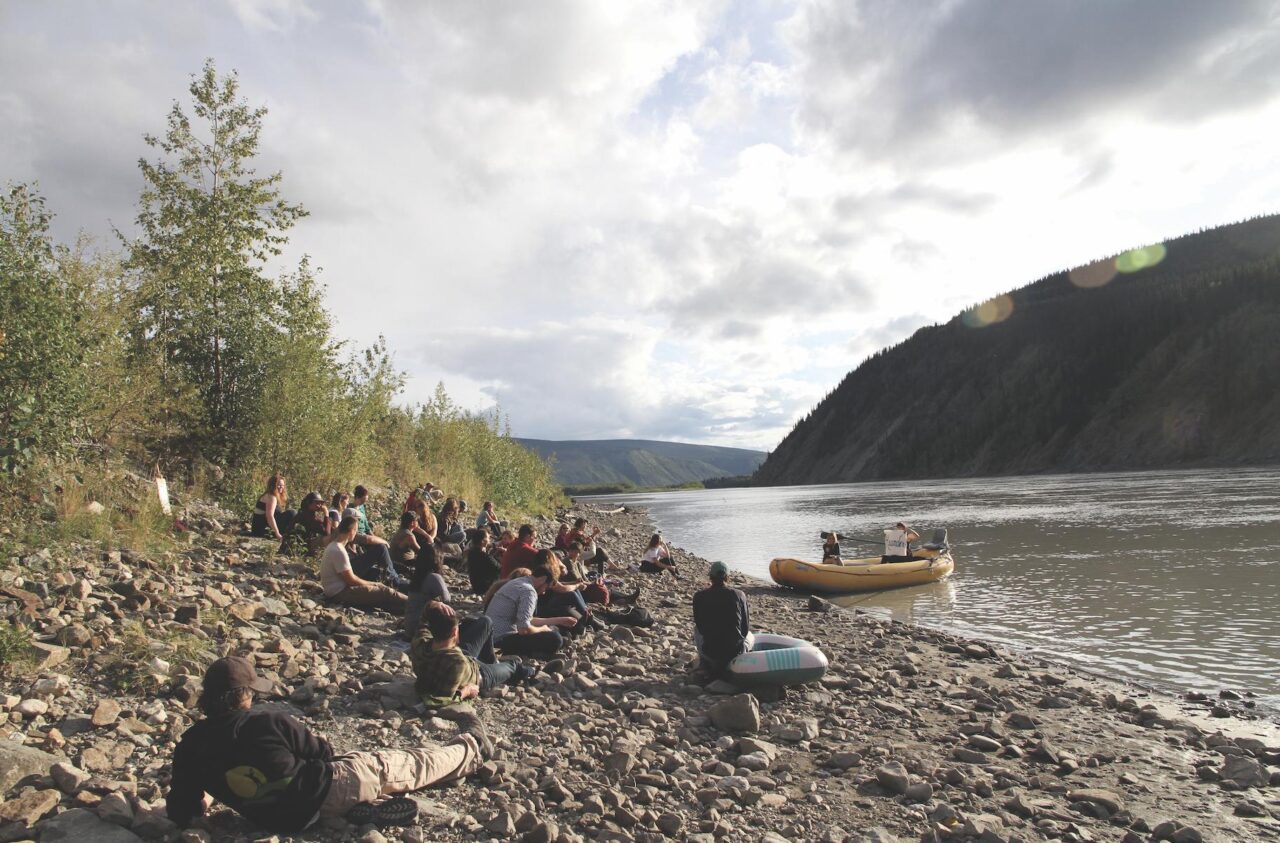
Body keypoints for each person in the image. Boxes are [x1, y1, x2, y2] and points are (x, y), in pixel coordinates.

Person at [166, 655, 483, 833]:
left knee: (359, 771)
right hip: (324, 791)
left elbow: (181, 810)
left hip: (278, 819)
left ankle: (359, 811)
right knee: (405, 764)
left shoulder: (189, 746)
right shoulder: (268, 722)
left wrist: (206, 796)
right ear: (243, 695)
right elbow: (324, 754)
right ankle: (472, 748)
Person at [411, 607, 538, 708]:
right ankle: (531, 672)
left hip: (465, 656)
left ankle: (493, 662)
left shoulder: (421, 642)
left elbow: (424, 621)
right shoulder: (456, 663)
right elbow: (444, 698)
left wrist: (433, 605)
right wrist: (467, 691)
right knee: (513, 665)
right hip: (479, 675)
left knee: (486, 622)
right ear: (454, 632)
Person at [485, 563, 577, 658]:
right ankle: (530, 654)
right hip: (501, 640)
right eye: (546, 587)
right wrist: (543, 629)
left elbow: (526, 620)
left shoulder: (518, 582)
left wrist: (560, 620)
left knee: (554, 632)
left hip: (491, 636)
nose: (544, 592)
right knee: (555, 639)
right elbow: (524, 629)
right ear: (543, 579)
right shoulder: (529, 591)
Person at [321, 516, 408, 613]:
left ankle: (407, 608)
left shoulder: (333, 545)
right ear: (352, 531)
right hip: (340, 593)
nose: (356, 533)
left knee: (383, 599)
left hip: (335, 591)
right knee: (385, 591)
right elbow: (351, 580)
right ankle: (415, 605)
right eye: (356, 530)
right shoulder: (338, 550)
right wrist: (375, 584)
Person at [692, 561, 752, 678]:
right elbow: (745, 628)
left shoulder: (698, 596)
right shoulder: (739, 595)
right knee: (750, 636)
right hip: (734, 653)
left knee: (696, 629)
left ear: (710, 577)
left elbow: (699, 625)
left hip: (709, 652)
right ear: (728, 578)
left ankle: (706, 663)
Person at [404, 542, 449, 640]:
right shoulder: (434, 577)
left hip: (409, 628)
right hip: (424, 630)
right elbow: (447, 600)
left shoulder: (416, 577)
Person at [279, 493, 332, 558]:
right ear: (309, 502)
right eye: (317, 503)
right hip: (299, 549)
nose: (319, 505)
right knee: (328, 537)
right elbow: (327, 532)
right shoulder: (307, 516)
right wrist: (326, 513)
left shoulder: (305, 513)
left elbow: (327, 528)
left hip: (298, 547)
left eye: (321, 503)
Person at [252, 474, 295, 540]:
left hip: (260, 529)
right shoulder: (271, 497)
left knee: (290, 512)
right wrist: (277, 534)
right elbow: (269, 516)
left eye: (283, 485)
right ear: (272, 485)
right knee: (291, 513)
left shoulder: (271, 496)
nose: (281, 487)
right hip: (261, 530)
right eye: (279, 485)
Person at [466, 529, 502, 595]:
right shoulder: (484, 556)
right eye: (488, 538)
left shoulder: (471, 553)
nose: (489, 540)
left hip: (475, 586)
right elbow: (499, 568)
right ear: (483, 541)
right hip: (485, 588)